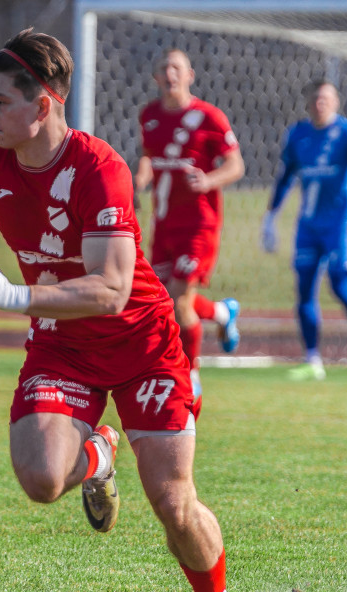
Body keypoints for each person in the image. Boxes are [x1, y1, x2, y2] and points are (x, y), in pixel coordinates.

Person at [0, 28, 242, 592]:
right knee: (40, 481)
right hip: (62, 346)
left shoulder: (100, 169)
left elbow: (111, 290)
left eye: (0, 102)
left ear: (43, 105)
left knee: (173, 503)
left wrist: (15, 297)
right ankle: (98, 453)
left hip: (144, 346)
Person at [134, 49, 245, 397]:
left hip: (199, 225)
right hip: (164, 223)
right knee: (166, 299)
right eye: (164, 68)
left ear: (190, 75)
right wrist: (136, 182)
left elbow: (235, 165)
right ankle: (222, 313)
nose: (170, 73)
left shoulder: (209, 117)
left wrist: (209, 181)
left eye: (176, 68)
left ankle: (191, 374)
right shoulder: (149, 116)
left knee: (180, 299)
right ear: (156, 77)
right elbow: (149, 158)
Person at [260, 79, 347, 380]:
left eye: (327, 98)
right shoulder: (298, 135)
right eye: (316, 99)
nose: (321, 104)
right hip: (308, 224)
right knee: (304, 290)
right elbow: (285, 178)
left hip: (341, 222)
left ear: (336, 102)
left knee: (340, 283)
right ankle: (313, 360)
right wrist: (270, 219)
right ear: (308, 104)